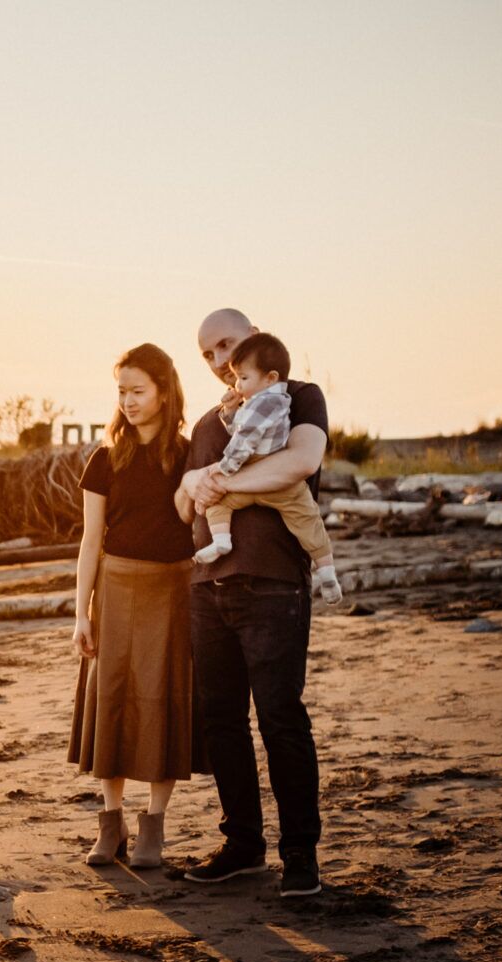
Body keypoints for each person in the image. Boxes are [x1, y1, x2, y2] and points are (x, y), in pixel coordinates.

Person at [177, 308, 328, 898]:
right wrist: (193, 486)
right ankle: (243, 845)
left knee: (280, 718)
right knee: (221, 721)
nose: (219, 364)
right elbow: (184, 504)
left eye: (226, 347)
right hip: (206, 588)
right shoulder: (207, 425)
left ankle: (300, 856)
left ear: (256, 340)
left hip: (272, 582)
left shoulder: (298, 395)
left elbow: (301, 462)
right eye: (207, 356)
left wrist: (219, 483)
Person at [68, 343, 203, 870]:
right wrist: (82, 612)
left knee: (162, 701)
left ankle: (154, 826)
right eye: (120, 391)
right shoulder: (105, 457)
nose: (127, 401)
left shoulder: (189, 454)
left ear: (164, 392)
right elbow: (90, 540)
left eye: (137, 391)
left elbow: (196, 522)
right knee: (113, 702)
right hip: (116, 589)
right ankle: (111, 822)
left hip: (175, 589)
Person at [191, 333, 343, 605]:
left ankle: (221, 539)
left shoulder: (272, 401)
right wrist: (230, 412)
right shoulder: (262, 402)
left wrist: (224, 470)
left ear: (271, 378)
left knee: (218, 502)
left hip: (264, 475)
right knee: (307, 520)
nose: (237, 382)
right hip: (274, 485)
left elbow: (245, 439)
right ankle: (327, 570)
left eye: (243, 378)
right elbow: (243, 426)